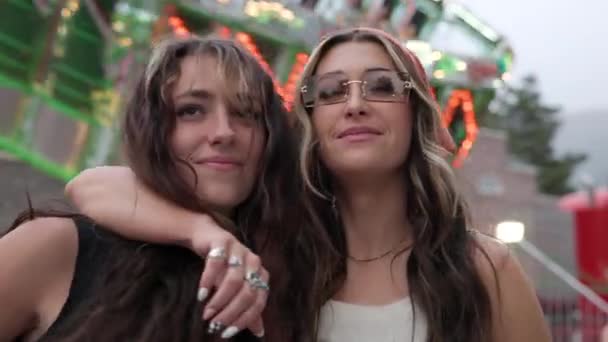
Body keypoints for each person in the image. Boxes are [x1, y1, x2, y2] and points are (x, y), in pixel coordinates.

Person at [66, 28, 551, 341]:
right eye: (331, 91)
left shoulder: (483, 267)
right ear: (309, 122)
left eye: (382, 86)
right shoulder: (271, 248)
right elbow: (91, 185)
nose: (355, 104)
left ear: (417, 113)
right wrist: (204, 233)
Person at [0, 36, 326, 341]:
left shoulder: (292, 280)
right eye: (191, 110)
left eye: (246, 113)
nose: (224, 132)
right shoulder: (58, 247)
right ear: (151, 130)